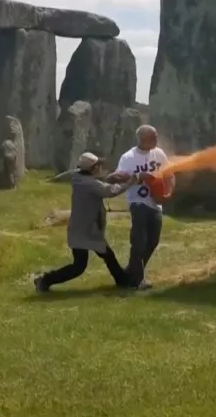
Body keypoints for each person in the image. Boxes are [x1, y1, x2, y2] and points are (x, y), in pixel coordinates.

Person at [34, 152, 132, 293]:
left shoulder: (79, 177)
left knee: (105, 256)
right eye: (98, 166)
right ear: (92, 168)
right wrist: (131, 182)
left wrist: (111, 177)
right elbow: (109, 191)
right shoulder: (89, 183)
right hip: (86, 230)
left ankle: (123, 281)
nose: (100, 168)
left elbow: (100, 181)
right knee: (80, 266)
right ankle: (45, 280)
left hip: (84, 228)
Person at [106, 125, 175, 291]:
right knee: (139, 242)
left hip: (155, 204)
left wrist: (169, 193)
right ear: (143, 139)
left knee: (153, 241)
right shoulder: (128, 157)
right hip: (138, 202)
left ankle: (132, 273)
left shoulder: (159, 154)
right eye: (154, 137)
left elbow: (169, 175)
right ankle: (138, 280)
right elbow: (113, 178)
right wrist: (136, 177)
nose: (157, 140)